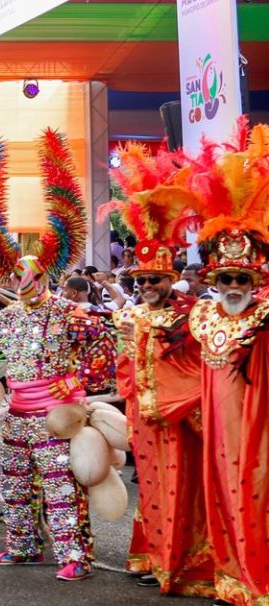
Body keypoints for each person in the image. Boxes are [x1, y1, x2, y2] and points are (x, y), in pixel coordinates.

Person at [0, 130, 102, 581]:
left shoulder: (68, 312)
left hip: (55, 416)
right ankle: (22, 546)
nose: (25, 282)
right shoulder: (11, 315)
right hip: (18, 413)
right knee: (17, 485)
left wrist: (77, 385)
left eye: (32, 275)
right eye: (18, 276)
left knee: (62, 488)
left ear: (46, 274)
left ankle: (75, 557)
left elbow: (103, 339)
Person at [109, 145, 212, 597]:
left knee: (182, 490)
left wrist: (173, 401)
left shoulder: (193, 315)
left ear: (170, 280)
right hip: (145, 422)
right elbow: (125, 368)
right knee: (149, 492)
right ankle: (153, 555)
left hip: (181, 419)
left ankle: (181, 563)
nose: (146, 287)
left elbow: (201, 368)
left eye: (154, 280)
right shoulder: (129, 318)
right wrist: (135, 409)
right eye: (140, 281)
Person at [181, 124, 269, 606]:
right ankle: (230, 575)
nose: (233, 285)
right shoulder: (200, 314)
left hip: (258, 433)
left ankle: (256, 577)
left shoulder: (265, 313)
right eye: (224, 276)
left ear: (254, 276)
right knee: (221, 493)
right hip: (215, 430)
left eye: (241, 276)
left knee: (255, 493)